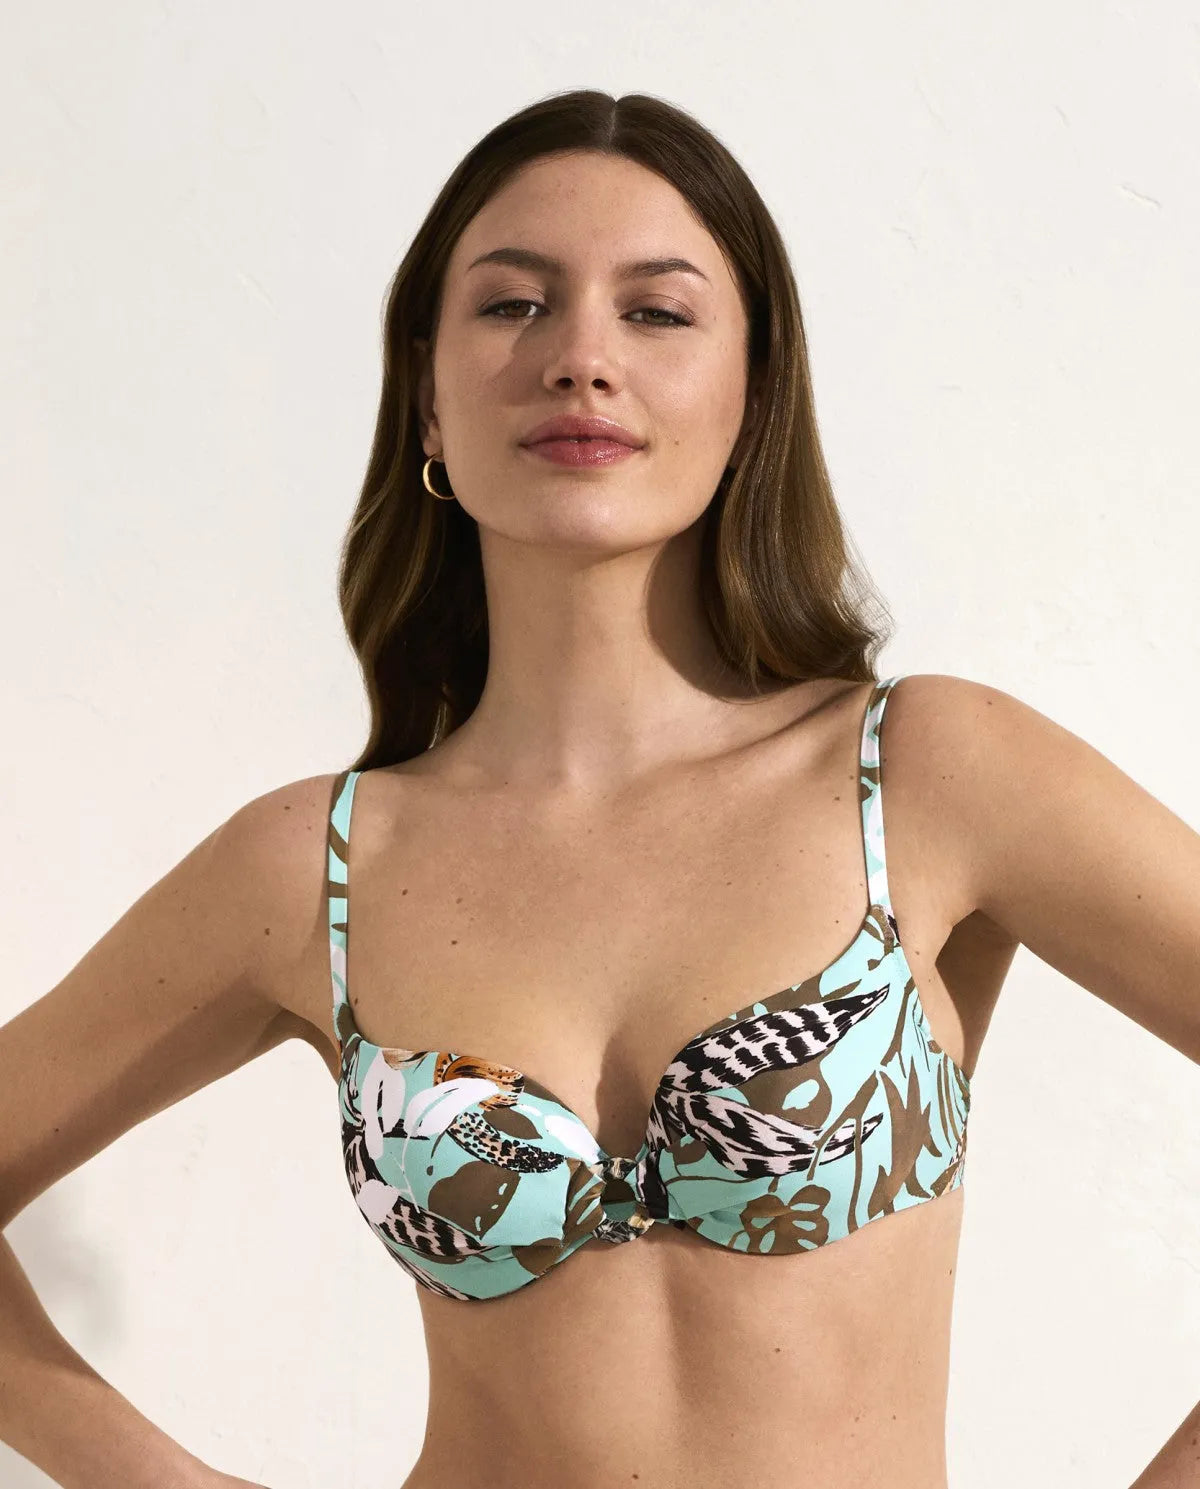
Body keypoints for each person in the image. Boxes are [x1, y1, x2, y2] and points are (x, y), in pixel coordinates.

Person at [3, 88, 1198, 1489]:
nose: (579, 359)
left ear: (752, 394)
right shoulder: (317, 869)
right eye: (513, 305)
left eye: (658, 312)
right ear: (426, 394)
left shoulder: (926, 776)